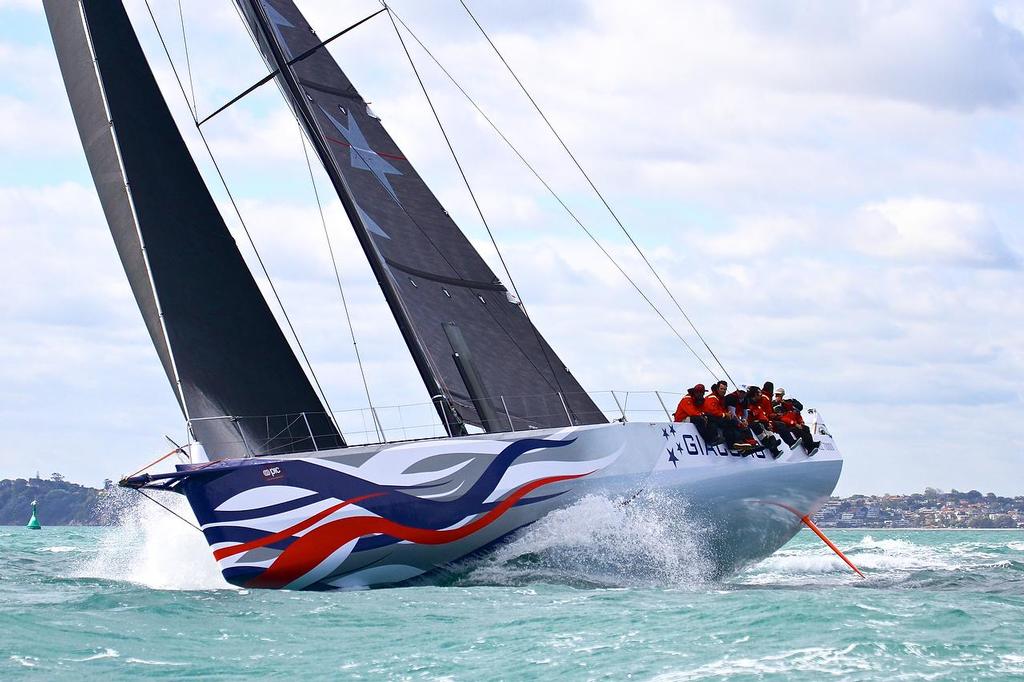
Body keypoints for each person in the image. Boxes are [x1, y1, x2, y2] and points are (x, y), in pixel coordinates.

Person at [703, 381, 753, 452]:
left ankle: (737, 444)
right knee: (732, 422)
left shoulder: (721, 398)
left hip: (719, 417)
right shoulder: (713, 398)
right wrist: (724, 414)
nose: (723, 391)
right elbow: (711, 410)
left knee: (730, 425)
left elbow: (722, 410)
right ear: (717, 389)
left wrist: (727, 414)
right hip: (713, 418)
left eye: (725, 389)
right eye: (721, 389)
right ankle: (738, 441)